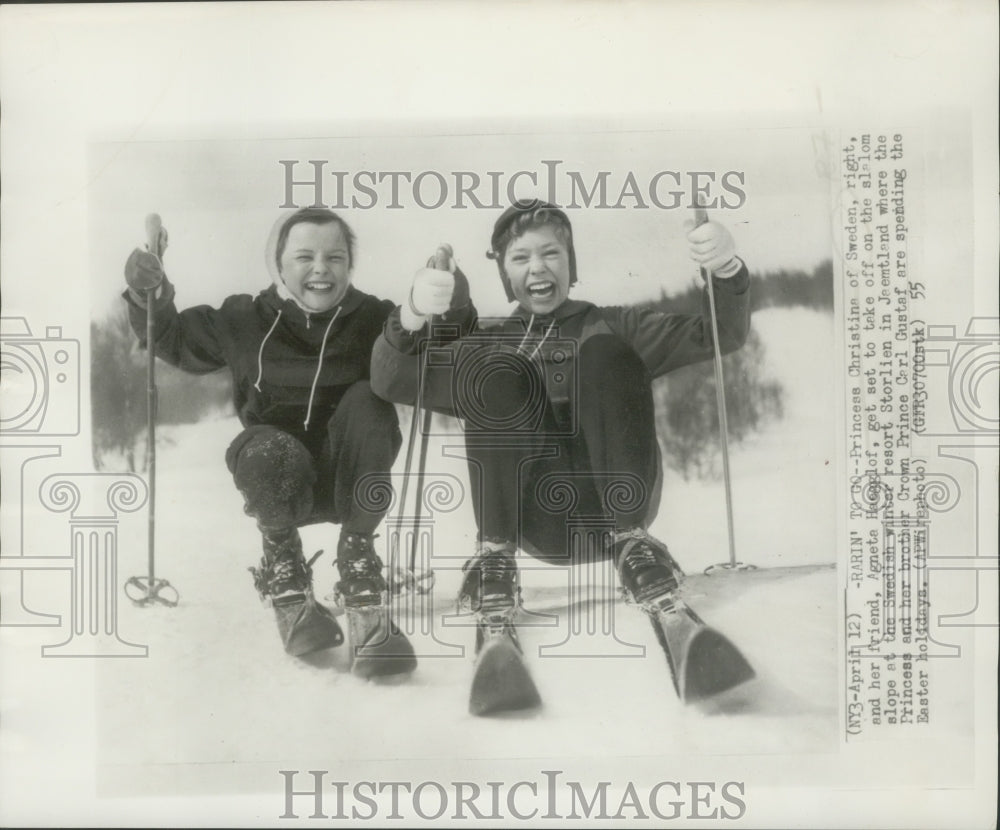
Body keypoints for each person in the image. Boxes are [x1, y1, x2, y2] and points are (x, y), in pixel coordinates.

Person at [371, 199, 751, 624]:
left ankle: (632, 543)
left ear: (571, 262)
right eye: (520, 258)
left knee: (605, 353)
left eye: (551, 253)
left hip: (619, 512)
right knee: (498, 370)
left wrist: (725, 271)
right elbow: (392, 379)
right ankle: (494, 557)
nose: (537, 268)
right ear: (505, 273)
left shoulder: (614, 325)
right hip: (536, 521)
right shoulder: (491, 342)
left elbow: (722, 333)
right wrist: (414, 314)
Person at [123, 207, 405, 658]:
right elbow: (173, 338)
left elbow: (420, 350)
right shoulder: (245, 318)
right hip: (279, 482)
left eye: (335, 257)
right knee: (262, 445)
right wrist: (148, 293)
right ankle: (283, 560)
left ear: (349, 265)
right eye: (304, 256)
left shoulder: (374, 318)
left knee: (368, 403)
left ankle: (358, 557)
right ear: (278, 263)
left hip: (350, 481)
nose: (320, 268)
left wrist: (439, 307)